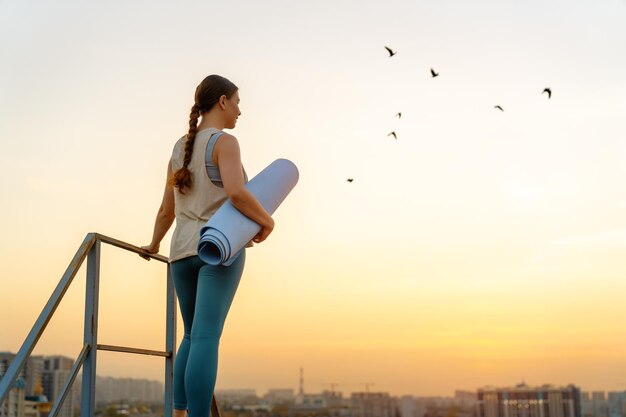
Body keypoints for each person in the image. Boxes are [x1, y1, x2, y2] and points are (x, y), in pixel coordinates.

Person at [141, 74, 274, 417]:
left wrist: (154, 244)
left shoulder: (178, 148)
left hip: (180, 252)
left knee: (191, 337)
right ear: (223, 102)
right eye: (238, 102)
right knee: (206, 338)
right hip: (218, 252)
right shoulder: (224, 142)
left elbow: (166, 210)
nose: (240, 111)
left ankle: (180, 412)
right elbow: (236, 192)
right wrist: (267, 220)